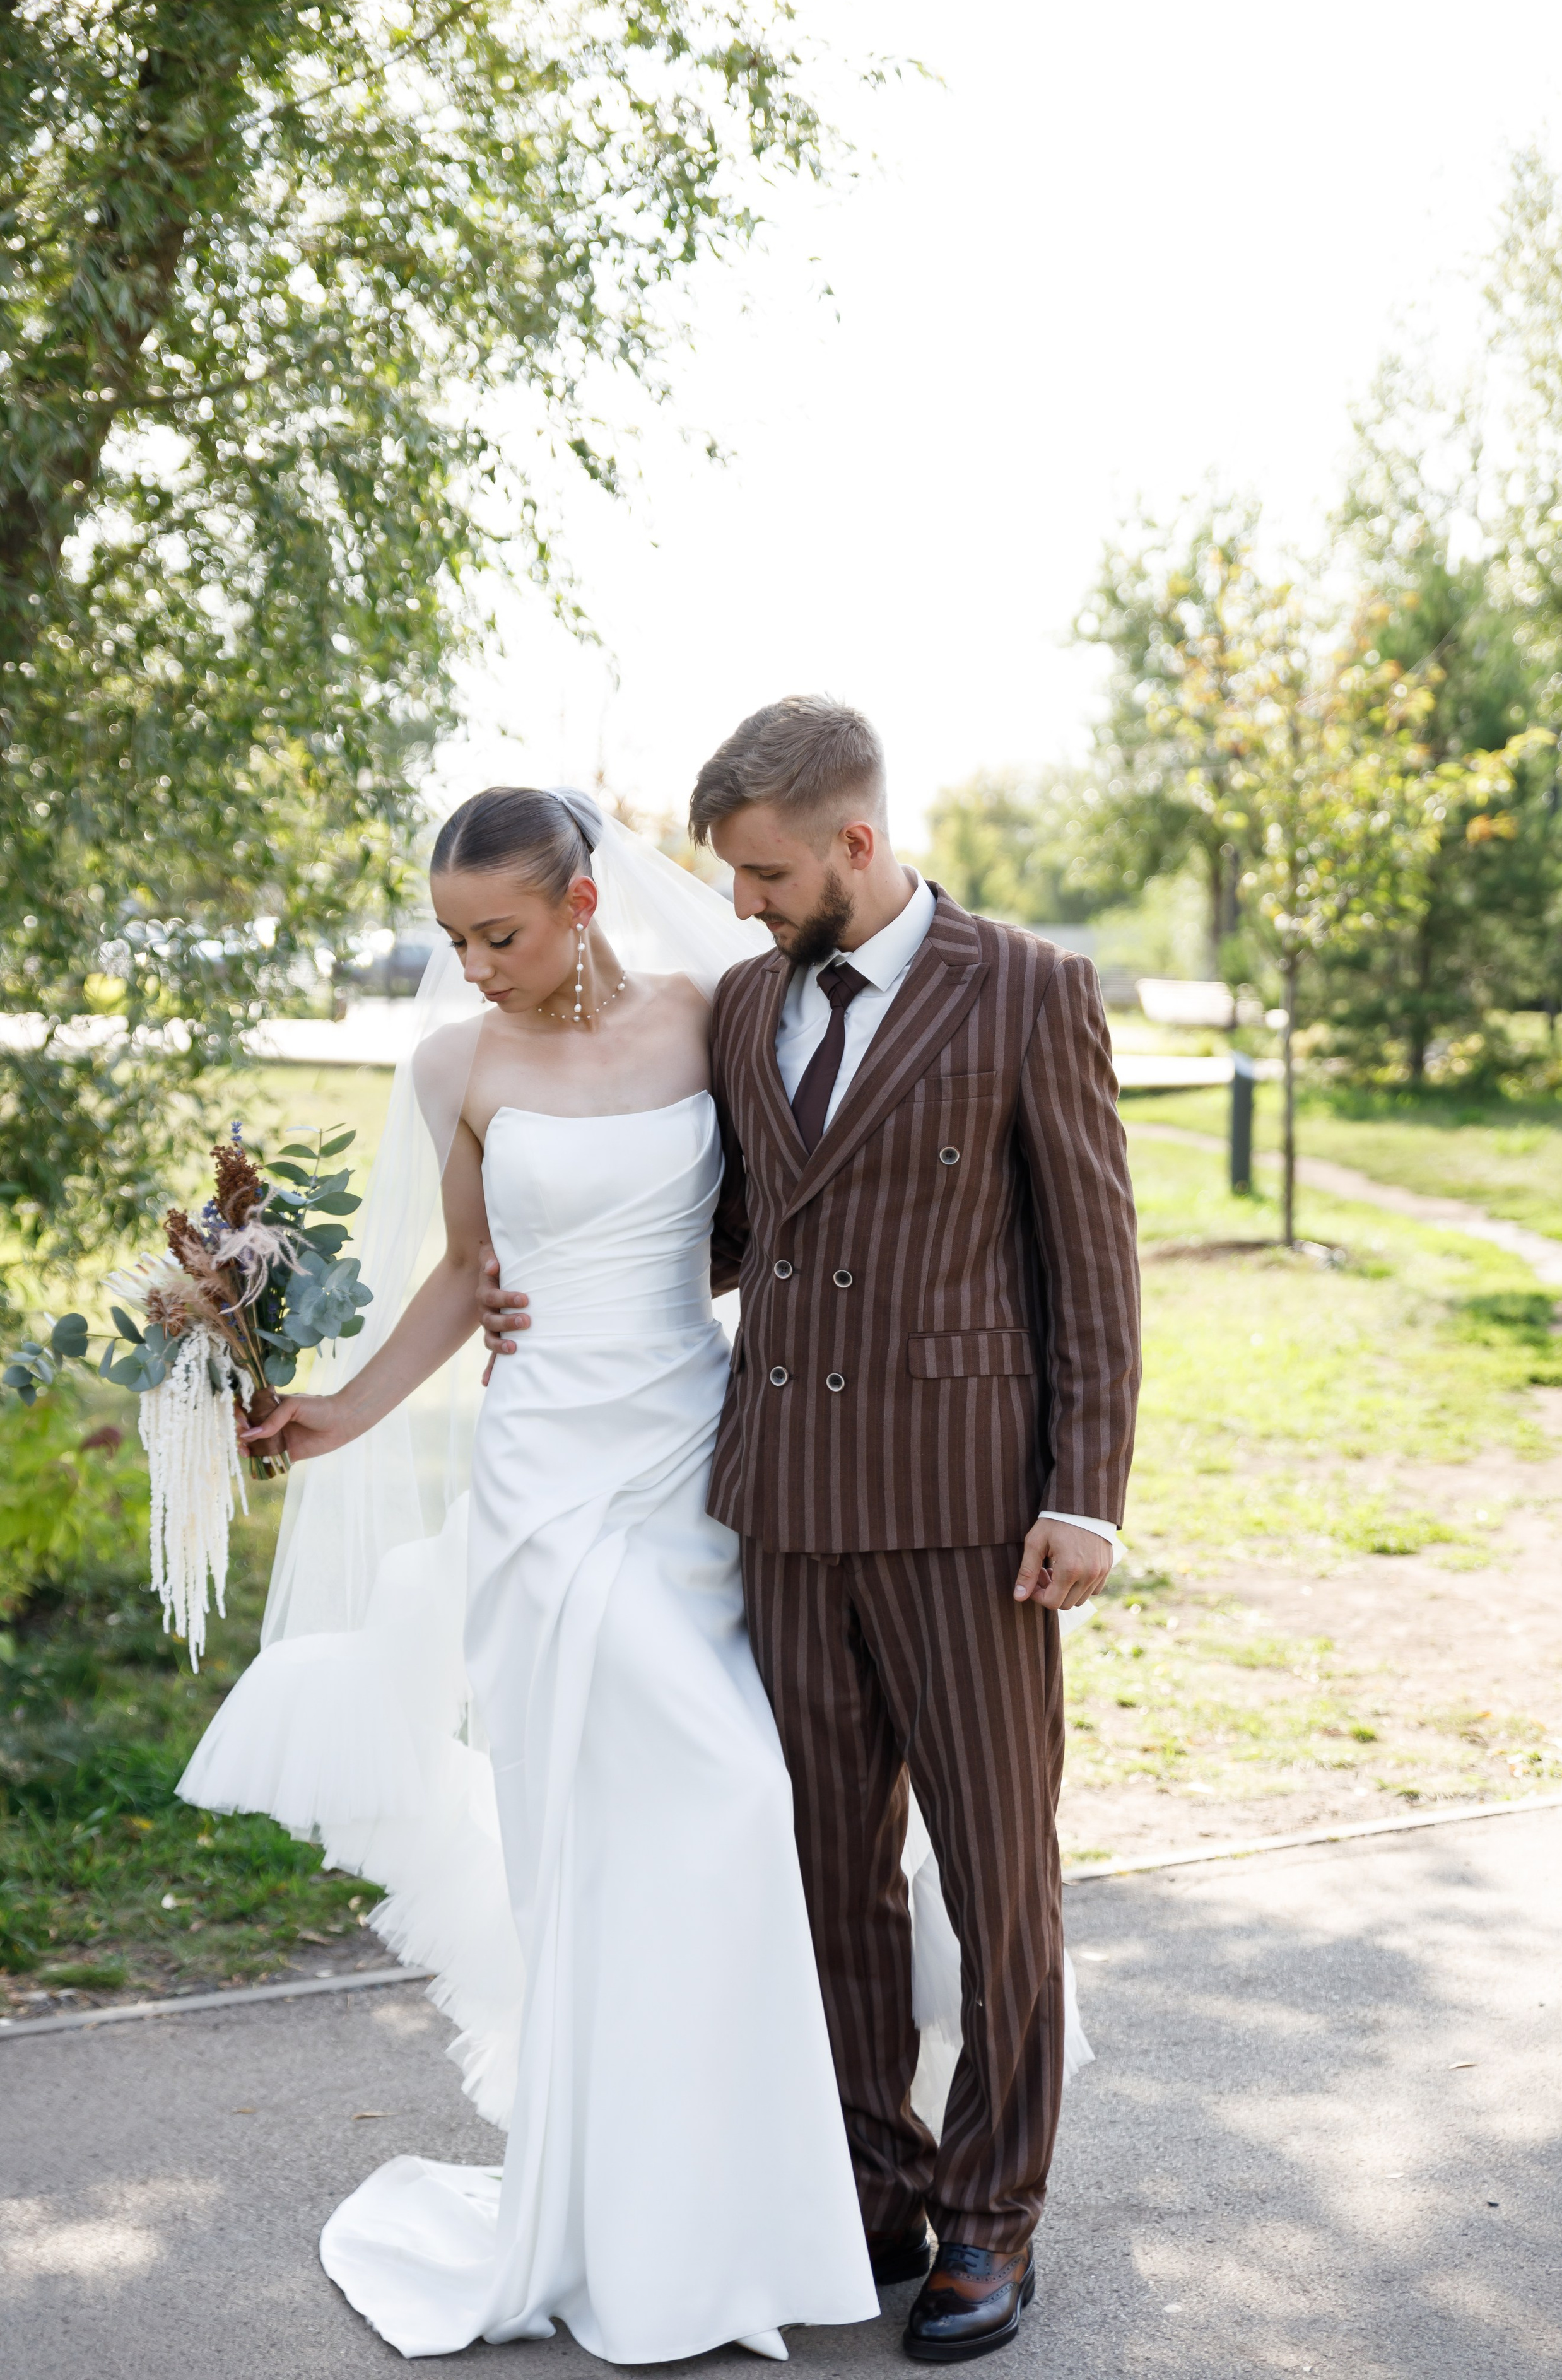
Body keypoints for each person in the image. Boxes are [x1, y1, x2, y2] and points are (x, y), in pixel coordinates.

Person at [479, 700, 1142, 2364]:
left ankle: (993, 2227)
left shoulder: (1029, 990)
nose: (744, 903)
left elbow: (1094, 1265)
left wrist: (1085, 1494)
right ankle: (873, 2188)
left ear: (855, 841)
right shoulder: (745, 1005)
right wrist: (528, 1295)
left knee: (1000, 1885)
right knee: (819, 1876)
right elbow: (709, 1225)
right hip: (772, 1502)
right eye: (732, 877)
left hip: (970, 1518)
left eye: (767, 874)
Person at [180, 786, 878, 2364]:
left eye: (497, 934)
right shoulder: (458, 1063)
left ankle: (727, 2219)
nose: (471, 965)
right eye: (451, 939)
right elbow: (464, 1276)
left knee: (712, 1825)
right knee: (639, 1830)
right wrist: (346, 1410)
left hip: (693, 1460)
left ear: (580, 902)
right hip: (547, 1484)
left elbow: (763, 1220)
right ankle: (615, 2222)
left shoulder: (712, 1015)